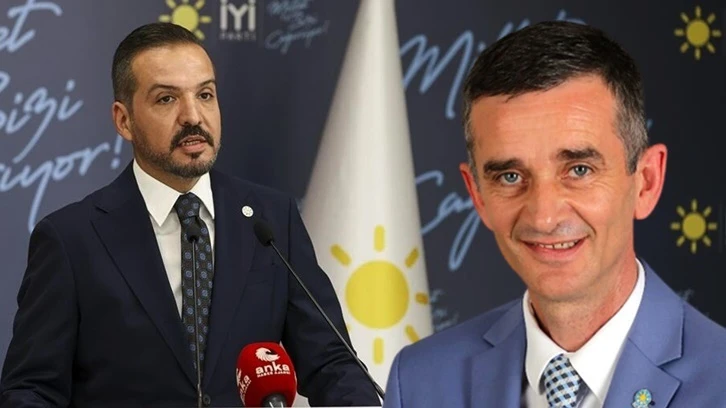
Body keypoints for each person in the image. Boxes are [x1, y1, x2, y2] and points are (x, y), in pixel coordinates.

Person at [0, 22, 379, 407]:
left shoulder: (271, 220)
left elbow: (332, 364)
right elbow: (32, 389)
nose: (193, 116)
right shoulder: (72, 239)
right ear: (124, 120)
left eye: (205, 94)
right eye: (166, 99)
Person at [383, 21, 726, 408]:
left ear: (646, 182)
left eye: (579, 170)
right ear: (477, 194)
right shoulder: (420, 383)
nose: (543, 217)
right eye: (510, 177)